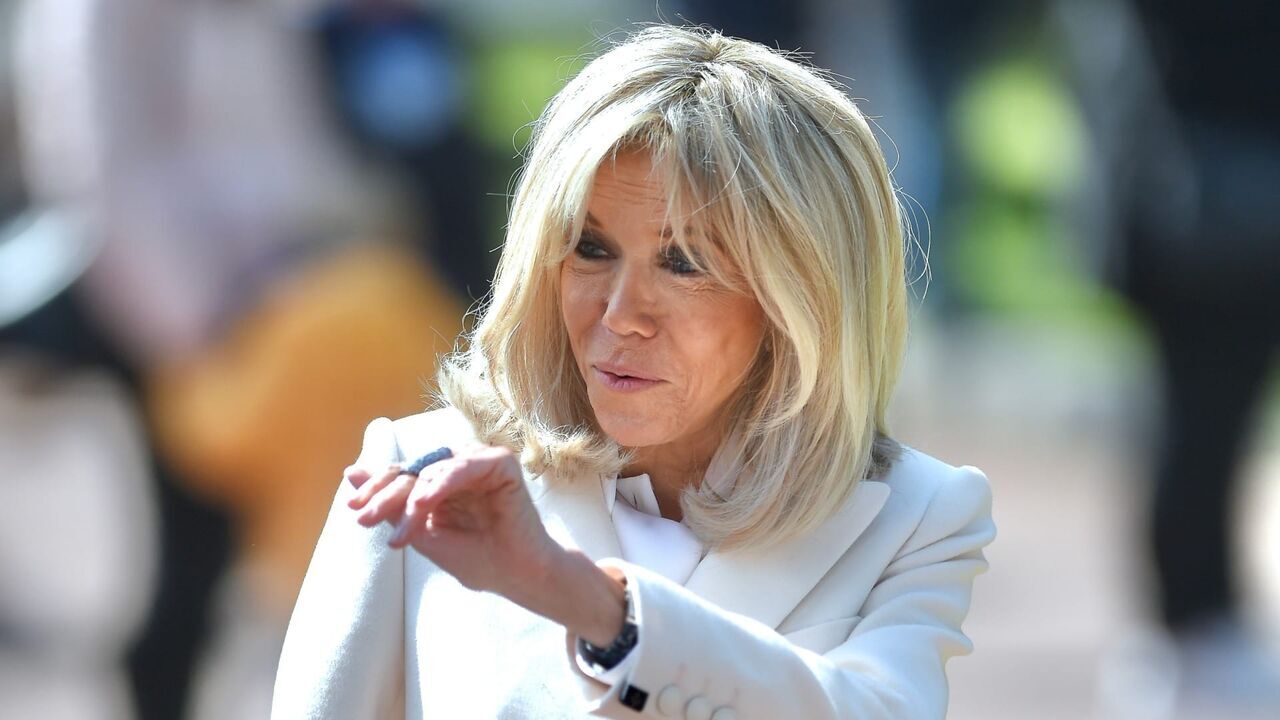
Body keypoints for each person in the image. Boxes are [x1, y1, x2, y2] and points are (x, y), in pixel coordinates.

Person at [271, 25, 996, 719]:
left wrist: (591, 604)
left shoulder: (919, 516)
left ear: (804, 300)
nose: (621, 315)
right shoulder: (421, 470)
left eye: (683, 262)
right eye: (590, 249)